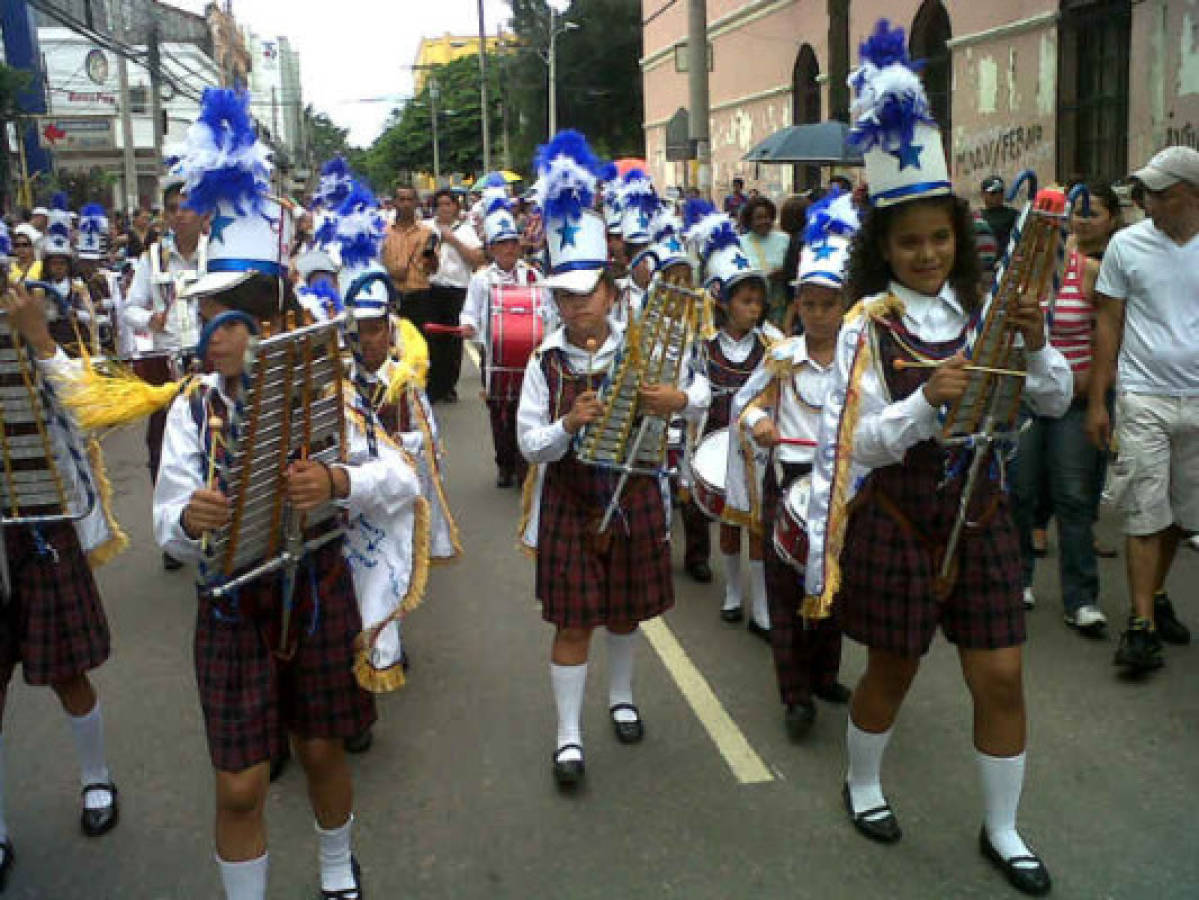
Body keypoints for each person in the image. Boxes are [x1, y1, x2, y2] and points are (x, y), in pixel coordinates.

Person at [805, 24, 1071, 895]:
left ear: (957, 237)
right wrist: (927, 400)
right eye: (909, 241)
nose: (927, 254)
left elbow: (1054, 401)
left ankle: (1003, 828)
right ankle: (864, 783)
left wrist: (1031, 349)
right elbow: (858, 444)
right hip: (901, 515)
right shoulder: (863, 327)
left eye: (939, 239)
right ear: (882, 246)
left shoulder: (987, 310)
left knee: (1000, 673)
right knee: (892, 666)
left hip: (985, 511)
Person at [151, 88, 385, 900]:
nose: (220, 329)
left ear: (274, 314)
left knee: (321, 751)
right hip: (229, 603)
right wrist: (190, 517)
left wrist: (336, 478)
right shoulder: (191, 410)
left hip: (313, 585)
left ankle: (334, 871)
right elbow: (165, 527)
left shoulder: (329, 389)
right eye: (213, 310)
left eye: (237, 311)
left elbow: (399, 478)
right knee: (241, 785)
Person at [518, 130, 708, 789]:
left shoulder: (647, 341)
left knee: (624, 611)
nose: (576, 306)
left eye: (587, 293)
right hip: (571, 495)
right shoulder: (545, 361)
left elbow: (701, 390)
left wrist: (675, 397)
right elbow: (528, 444)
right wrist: (568, 424)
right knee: (573, 620)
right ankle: (567, 737)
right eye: (565, 296)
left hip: (631, 490)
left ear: (610, 290)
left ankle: (621, 698)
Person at [0, 277, 128, 891]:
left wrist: (40, 338)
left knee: (66, 670)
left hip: (43, 521)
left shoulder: (39, 330)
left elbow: (90, 403)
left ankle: (96, 776)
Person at [728, 188, 859, 739]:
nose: (820, 313)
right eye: (809, 304)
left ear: (847, 302)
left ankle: (825, 673)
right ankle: (795, 694)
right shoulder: (782, 356)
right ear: (797, 305)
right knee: (786, 598)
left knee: (832, 589)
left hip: (845, 490)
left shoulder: (863, 357)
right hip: (791, 483)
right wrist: (758, 422)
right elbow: (743, 401)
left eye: (830, 303)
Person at [1087, 146, 1199, 674]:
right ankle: (1140, 627)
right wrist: (1098, 401)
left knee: (1180, 515)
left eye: (1157, 192)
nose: (1145, 201)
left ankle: (1152, 596)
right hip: (1143, 395)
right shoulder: (1127, 247)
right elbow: (1108, 324)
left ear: (1190, 195)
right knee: (1144, 511)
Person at [1012, 182, 1123, 636]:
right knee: (1018, 492)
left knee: (1074, 497)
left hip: (1074, 400)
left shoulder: (1091, 273)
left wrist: (1097, 397)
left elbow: (1107, 340)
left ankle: (1081, 599)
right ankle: (1016, 579)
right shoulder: (1018, 276)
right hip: (1024, 398)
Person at [687, 202, 772, 636]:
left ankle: (760, 604)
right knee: (727, 522)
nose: (754, 309)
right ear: (724, 302)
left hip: (757, 445)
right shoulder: (704, 345)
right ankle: (732, 594)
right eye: (745, 300)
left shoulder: (773, 344)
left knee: (755, 523)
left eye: (758, 301)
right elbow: (695, 395)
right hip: (716, 441)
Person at [124, 176, 210, 574]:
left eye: (187, 207)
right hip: (167, 366)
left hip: (212, 359)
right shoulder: (152, 258)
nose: (180, 215)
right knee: (163, 447)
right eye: (172, 208)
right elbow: (131, 308)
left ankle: (215, 525)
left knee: (216, 440)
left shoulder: (219, 251)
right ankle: (174, 532)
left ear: (203, 213)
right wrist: (150, 319)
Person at [462, 193, 544, 488]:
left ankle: (524, 466)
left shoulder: (534, 276)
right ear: (492, 248)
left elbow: (546, 312)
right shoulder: (481, 279)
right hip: (494, 355)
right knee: (500, 412)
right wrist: (469, 327)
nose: (509, 248)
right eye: (502, 244)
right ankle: (504, 464)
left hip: (531, 355)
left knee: (528, 409)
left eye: (513, 243)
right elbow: (469, 312)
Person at [427, 188, 484, 403]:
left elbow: (477, 259)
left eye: (448, 204)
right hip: (432, 288)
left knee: (453, 341)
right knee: (433, 339)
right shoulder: (427, 228)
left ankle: (448, 385)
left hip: (457, 290)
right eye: (440, 204)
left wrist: (454, 241)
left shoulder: (466, 230)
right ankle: (433, 385)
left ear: (456, 207)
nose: (444, 208)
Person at [381, 185, 439, 328]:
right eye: (402, 199)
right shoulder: (383, 232)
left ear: (416, 203)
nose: (406, 204)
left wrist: (431, 257)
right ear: (394, 202)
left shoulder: (427, 232)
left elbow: (433, 269)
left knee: (419, 344)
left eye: (409, 200)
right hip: (392, 296)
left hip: (419, 296)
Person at [740, 196, 792, 328]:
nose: (764, 221)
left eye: (767, 217)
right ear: (750, 220)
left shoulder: (785, 239)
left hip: (780, 305)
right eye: (759, 218)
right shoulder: (740, 243)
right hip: (752, 305)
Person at [980, 176, 1019, 254]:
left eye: (1000, 191)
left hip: (1005, 261)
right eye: (993, 193)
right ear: (983, 194)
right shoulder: (977, 216)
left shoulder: (1013, 215)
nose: (998, 196)